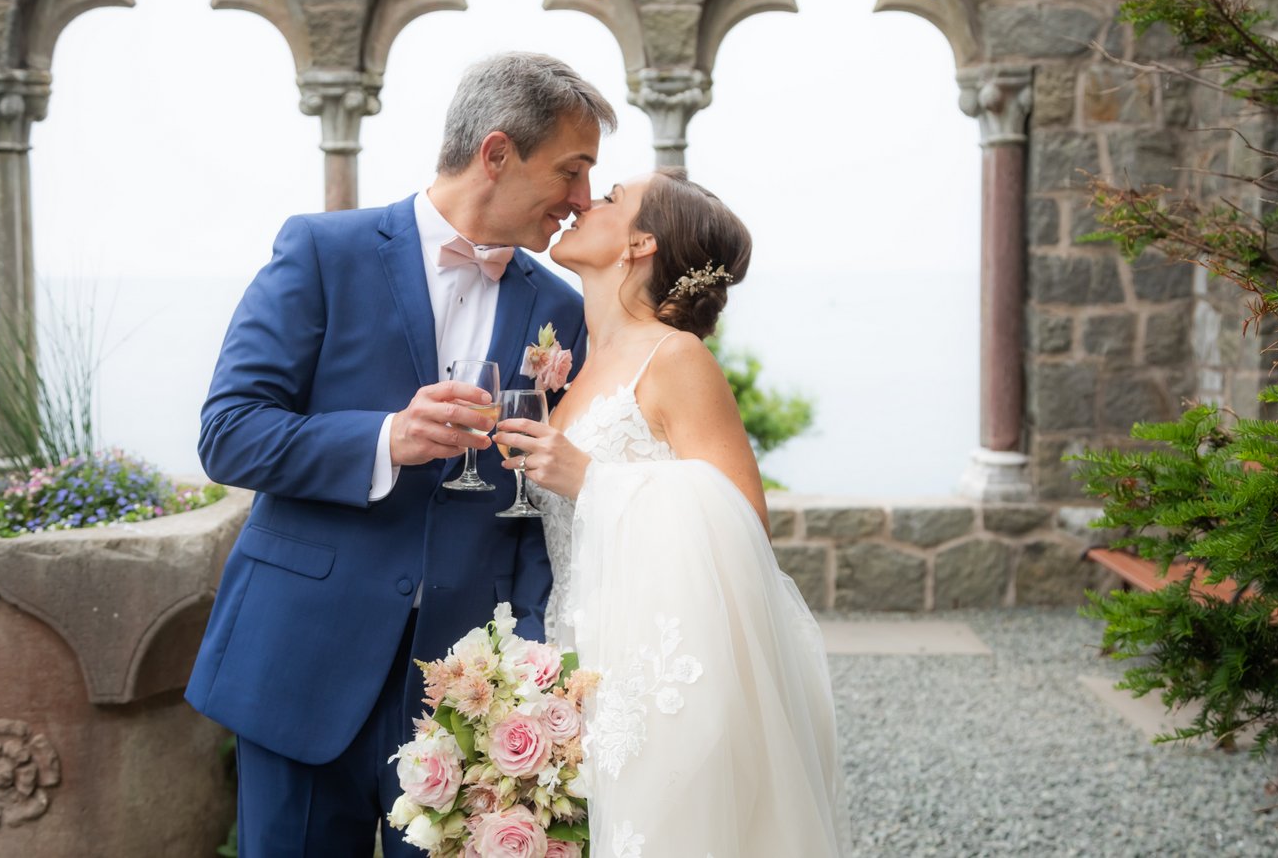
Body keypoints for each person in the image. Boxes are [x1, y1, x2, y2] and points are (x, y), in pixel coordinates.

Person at [185, 52, 616, 857]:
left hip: (470, 688)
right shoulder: (322, 251)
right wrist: (385, 439)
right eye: (572, 169)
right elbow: (228, 431)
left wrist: (525, 659)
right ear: (496, 154)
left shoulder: (561, 308)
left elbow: (542, 506)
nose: (582, 199)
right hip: (302, 660)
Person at [494, 168, 852, 857]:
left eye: (607, 201)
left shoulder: (677, 358)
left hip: (661, 670)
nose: (581, 203)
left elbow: (743, 522)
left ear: (639, 245)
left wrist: (591, 480)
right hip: (578, 649)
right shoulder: (572, 370)